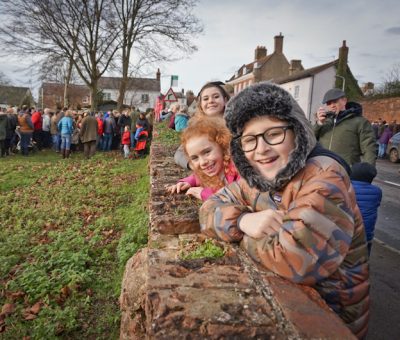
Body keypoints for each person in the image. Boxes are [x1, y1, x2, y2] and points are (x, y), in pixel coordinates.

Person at [200, 83, 369, 338]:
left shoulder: (325, 178)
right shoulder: (259, 179)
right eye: (250, 140)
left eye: (274, 134)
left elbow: (295, 259)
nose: (261, 148)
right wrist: (244, 221)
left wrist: (240, 236)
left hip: (334, 318)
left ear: (297, 133)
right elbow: (208, 208)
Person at [167, 116, 239, 201]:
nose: (202, 162)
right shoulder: (209, 170)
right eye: (195, 158)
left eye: (207, 152)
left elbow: (239, 198)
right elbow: (197, 177)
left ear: (222, 145)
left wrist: (204, 193)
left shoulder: (237, 168)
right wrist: (186, 182)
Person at [174, 81, 230, 169]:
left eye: (216, 97)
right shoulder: (196, 127)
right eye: (205, 99)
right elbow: (179, 154)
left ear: (225, 100)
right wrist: (193, 165)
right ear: (201, 104)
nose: (211, 101)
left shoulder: (237, 123)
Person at [314, 88, 376, 167]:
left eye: (335, 101)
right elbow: (310, 139)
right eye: (329, 103)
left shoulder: (360, 122)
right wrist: (319, 123)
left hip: (346, 170)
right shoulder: (324, 121)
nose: (332, 105)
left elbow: (369, 147)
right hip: (322, 168)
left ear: (344, 101)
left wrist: (369, 170)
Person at [350, 162, 382, 256]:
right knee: (364, 257)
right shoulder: (377, 191)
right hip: (366, 234)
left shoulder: (346, 187)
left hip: (348, 232)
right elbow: (377, 204)